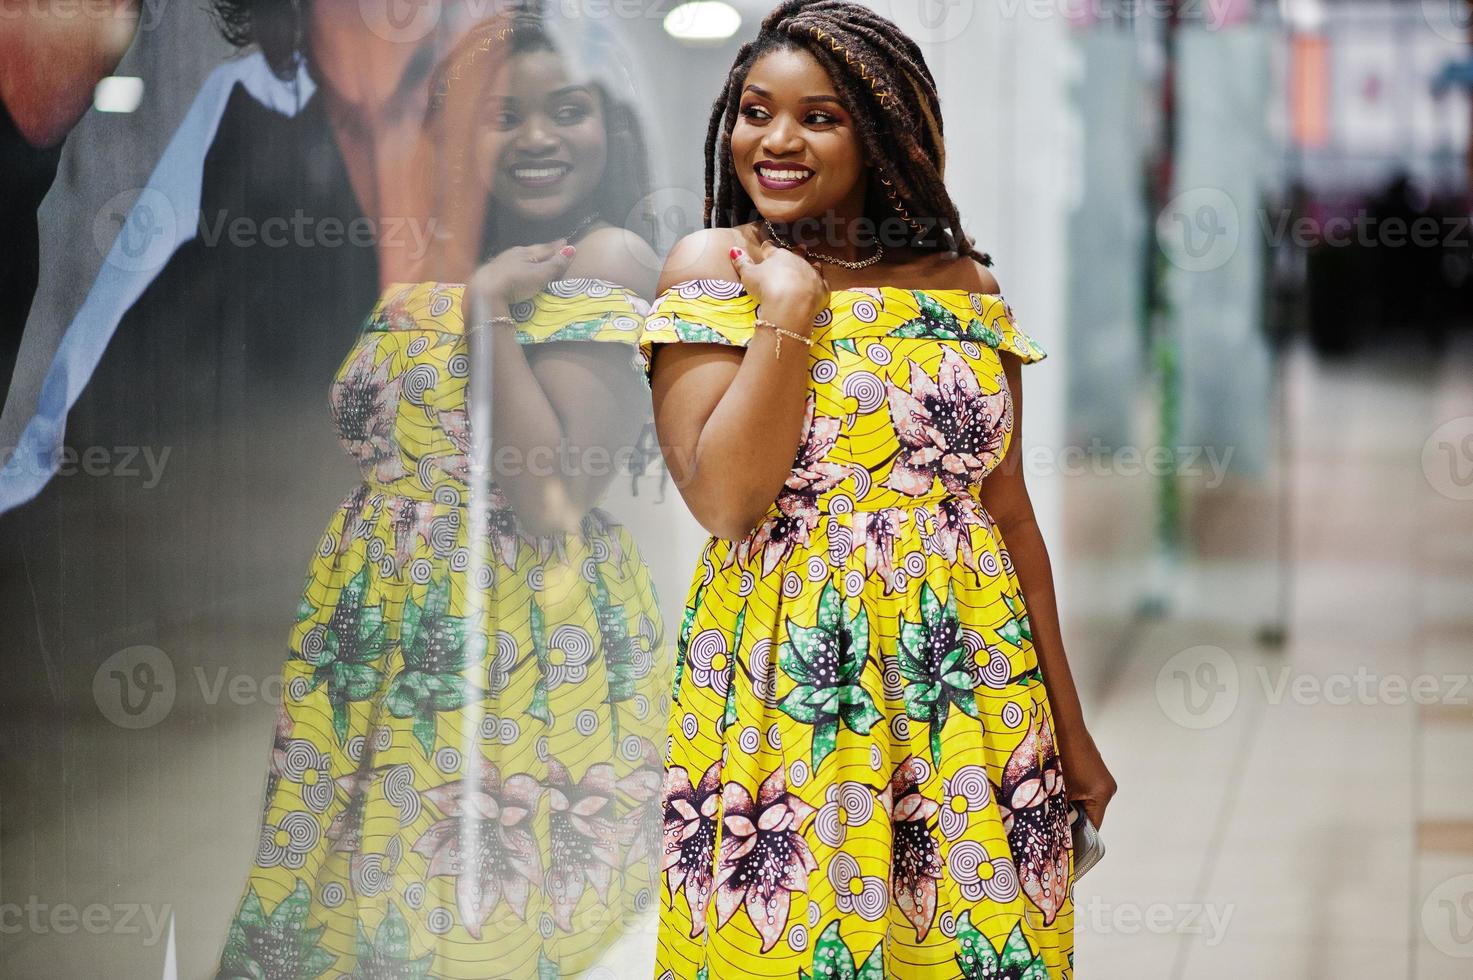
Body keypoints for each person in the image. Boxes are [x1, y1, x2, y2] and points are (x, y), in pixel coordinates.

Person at [636, 2, 1115, 977]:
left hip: (970, 690)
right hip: (794, 694)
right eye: (755, 110)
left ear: (885, 131)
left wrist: (1072, 729)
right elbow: (726, 499)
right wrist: (790, 308)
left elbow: (1010, 515)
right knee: (798, 948)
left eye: (819, 116)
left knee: (981, 946)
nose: (775, 140)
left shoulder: (965, 284)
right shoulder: (714, 271)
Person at [216, 10, 670, 979]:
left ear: (608, 122)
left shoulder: (606, 260)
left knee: (488, 927)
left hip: (516, 641)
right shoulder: (435, 255)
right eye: (504, 113)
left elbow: (550, 496)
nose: (538, 135)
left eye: (569, 109)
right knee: (354, 919)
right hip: (381, 643)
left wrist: (487, 314)